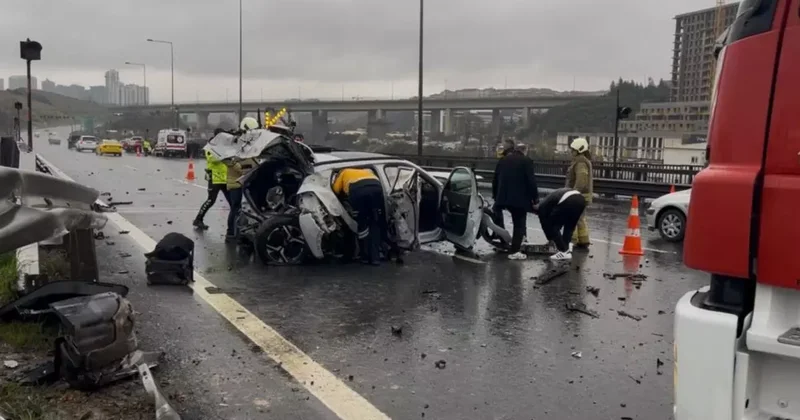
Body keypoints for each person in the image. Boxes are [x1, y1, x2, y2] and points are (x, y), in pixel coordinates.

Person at [491, 139, 539, 260]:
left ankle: (502, 241)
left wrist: (496, 197)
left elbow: (495, 180)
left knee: (497, 214)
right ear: (525, 151)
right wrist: (535, 200)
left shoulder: (503, 160)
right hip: (519, 199)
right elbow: (531, 182)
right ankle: (515, 250)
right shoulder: (526, 161)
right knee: (519, 223)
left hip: (503, 197)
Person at [332, 168, 386, 265]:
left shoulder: (343, 172)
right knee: (374, 221)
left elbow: (335, 190)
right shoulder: (366, 171)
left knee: (362, 224)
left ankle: (365, 256)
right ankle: (375, 258)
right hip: (377, 188)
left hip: (358, 191)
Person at [534, 188, 587, 261]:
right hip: (581, 199)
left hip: (568, 200)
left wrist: (550, 239)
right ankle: (566, 248)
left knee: (552, 226)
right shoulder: (548, 200)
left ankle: (563, 251)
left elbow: (545, 225)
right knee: (569, 226)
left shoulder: (542, 207)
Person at [565, 137, 593, 248]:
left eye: (573, 150)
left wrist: (573, 193)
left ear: (579, 150)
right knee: (580, 218)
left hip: (578, 195)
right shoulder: (582, 160)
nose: (571, 152)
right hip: (582, 196)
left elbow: (581, 180)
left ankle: (572, 240)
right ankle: (583, 240)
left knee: (572, 217)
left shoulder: (580, 162)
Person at [193, 146, 230, 230]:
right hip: (214, 180)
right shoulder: (210, 149)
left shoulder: (224, 148)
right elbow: (213, 159)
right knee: (211, 200)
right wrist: (225, 155)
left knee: (232, 202)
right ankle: (198, 219)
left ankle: (236, 224)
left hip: (225, 179)